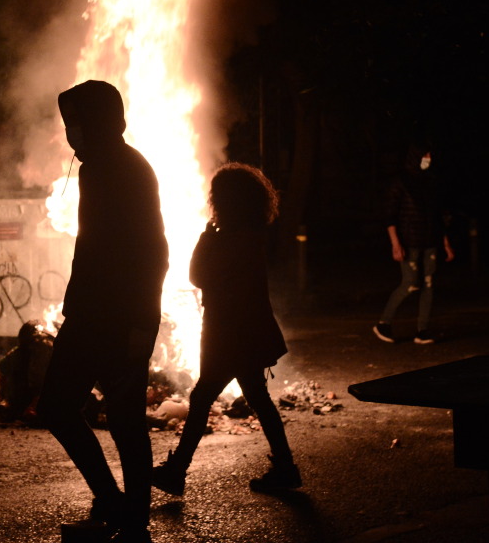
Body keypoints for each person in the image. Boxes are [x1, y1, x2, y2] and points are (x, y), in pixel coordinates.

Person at [37, 80, 168, 543]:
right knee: (63, 408)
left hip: (116, 318)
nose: (70, 132)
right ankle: (118, 507)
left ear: (95, 122)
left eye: (75, 122)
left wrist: (140, 323)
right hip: (91, 315)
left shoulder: (124, 170)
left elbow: (153, 251)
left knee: (123, 422)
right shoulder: (99, 168)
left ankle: (130, 517)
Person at [151, 163, 300, 497]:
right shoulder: (250, 236)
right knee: (257, 400)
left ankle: (177, 471)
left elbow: (197, 276)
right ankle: (286, 468)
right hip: (244, 332)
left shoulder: (229, 239)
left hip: (228, 334)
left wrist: (206, 236)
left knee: (203, 397)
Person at [374, 144, 454, 344]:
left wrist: (446, 243)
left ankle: (422, 330)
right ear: (415, 157)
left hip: (430, 241)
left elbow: (438, 216)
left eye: (430, 154)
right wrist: (395, 243)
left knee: (429, 284)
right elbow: (389, 215)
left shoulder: (431, 181)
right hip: (409, 242)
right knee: (410, 283)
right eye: (425, 154)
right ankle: (383, 323)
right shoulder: (401, 182)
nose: (429, 158)